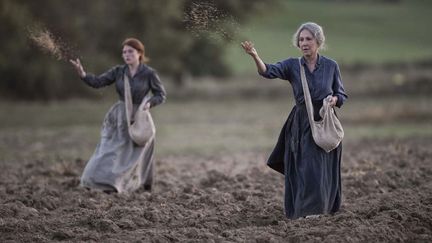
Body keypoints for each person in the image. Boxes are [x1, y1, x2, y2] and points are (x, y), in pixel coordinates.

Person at [241, 22, 347, 219]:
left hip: (325, 123)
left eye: (308, 39)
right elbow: (268, 71)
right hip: (301, 124)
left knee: (324, 169)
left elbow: (341, 94)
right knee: (306, 168)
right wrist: (255, 56)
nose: (304, 43)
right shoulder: (292, 65)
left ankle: (324, 210)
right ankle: (306, 212)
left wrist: (334, 100)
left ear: (318, 41)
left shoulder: (331, 66)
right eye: (301, 40)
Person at [70, 38, 166, 193]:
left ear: (139, 54)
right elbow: (98, 82)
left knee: (137, 153)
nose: (126, 55)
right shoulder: (118, 72)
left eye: (130, 51)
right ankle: (96, 180)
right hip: (120, 117)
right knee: (109, 150)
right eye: (124, 52)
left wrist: (149, 103)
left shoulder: (149, 74)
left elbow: (161, 95)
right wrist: (83, 74)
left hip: (140, 118)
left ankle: (138, 185)